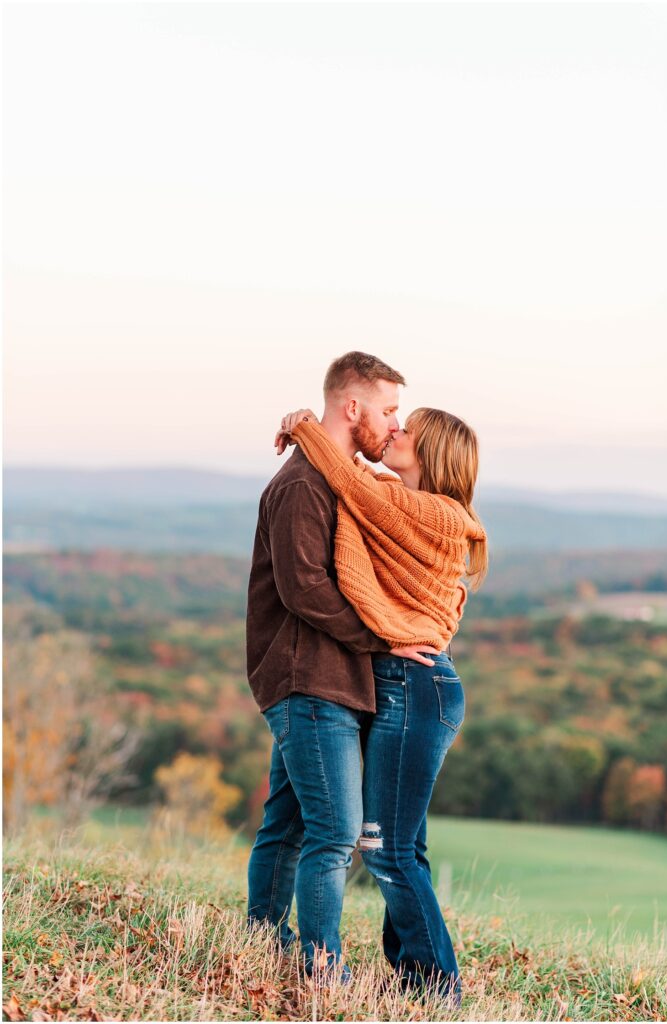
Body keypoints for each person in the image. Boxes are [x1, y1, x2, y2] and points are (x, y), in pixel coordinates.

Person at [274, 403, 488, 1006]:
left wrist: (305, 429)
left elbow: (347, 482)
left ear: (431, 453)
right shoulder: (402, 503)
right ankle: (412, 979)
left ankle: (437, 987)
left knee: (385, 848)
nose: (393, 431)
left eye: (406, 430)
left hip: (416, 689)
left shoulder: (437, 514)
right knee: (400, 844)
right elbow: (360, 490)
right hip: (401, 684)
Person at [245, 352, 435, 982]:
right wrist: (385, 639)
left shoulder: (333, 474)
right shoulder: (303, 485)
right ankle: (322, 969)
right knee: (335, 832)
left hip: (327, 678)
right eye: (386, 410)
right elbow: (304, 589)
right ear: (351, 408)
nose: (392, 423)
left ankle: (258, 941)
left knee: (290, 824)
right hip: (308, 679)